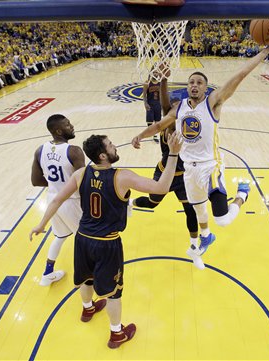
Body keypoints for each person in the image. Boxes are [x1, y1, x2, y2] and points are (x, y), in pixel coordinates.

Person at [30, 132, 182, 349]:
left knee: (86, 279)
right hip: (107, 243)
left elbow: (56, 199)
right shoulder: (123, 176)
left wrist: (42, 224)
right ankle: (117, 334)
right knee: (114, 292)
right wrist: (174, 154)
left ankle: (87, 308)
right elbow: (162, 188)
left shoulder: (81, 174)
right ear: (102, 155)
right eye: (111, 145)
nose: (115, 147)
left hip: (82, 239)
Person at [131, 46, 269, 259]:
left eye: (199, 82)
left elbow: (240, 75)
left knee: (223, 220)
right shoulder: (179, 108)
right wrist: (140, 136)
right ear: (187, 87)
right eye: (191, 82)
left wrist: (264, 54)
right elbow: (159, 126)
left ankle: (242, 194)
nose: (194, 85)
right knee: (199, 211)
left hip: (210, 166)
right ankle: (206, 237)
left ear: (206, 87)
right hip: (189, 169)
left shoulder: (213, 102)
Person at [130, 77, 202, 269]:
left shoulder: (190, 125)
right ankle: (129, 203)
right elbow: (163, 101)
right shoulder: (167, 122)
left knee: (191, 210)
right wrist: (163, 80)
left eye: (179, 106)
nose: (176, 109)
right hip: (164, 173)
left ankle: (195, 248)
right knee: (152, 204)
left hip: (183, 176)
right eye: (173, 107)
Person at [30, 114, 85, 286]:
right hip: (72, 202)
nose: (72, 126)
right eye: (68, 125)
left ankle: (47, 273)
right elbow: (83, 182)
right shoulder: (74, 151)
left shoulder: (40, 150)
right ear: (59, 130)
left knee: (60, 236)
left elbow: (35, 181)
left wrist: (57, 185)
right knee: (86, 240)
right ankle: (89, 279)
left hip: (53, 200)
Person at [143, 70, 162, 143]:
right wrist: (145, 103)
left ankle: (155, 135)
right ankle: (152, 134)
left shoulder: (160, 83)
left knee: (157, 121)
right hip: (150, 103)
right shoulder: (147, 83)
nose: (155, 74)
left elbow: (162, 95)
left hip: (158, 104)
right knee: (150, 121)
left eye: (157, 72)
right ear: (151, 73)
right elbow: (144, 95)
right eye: (154, 72)